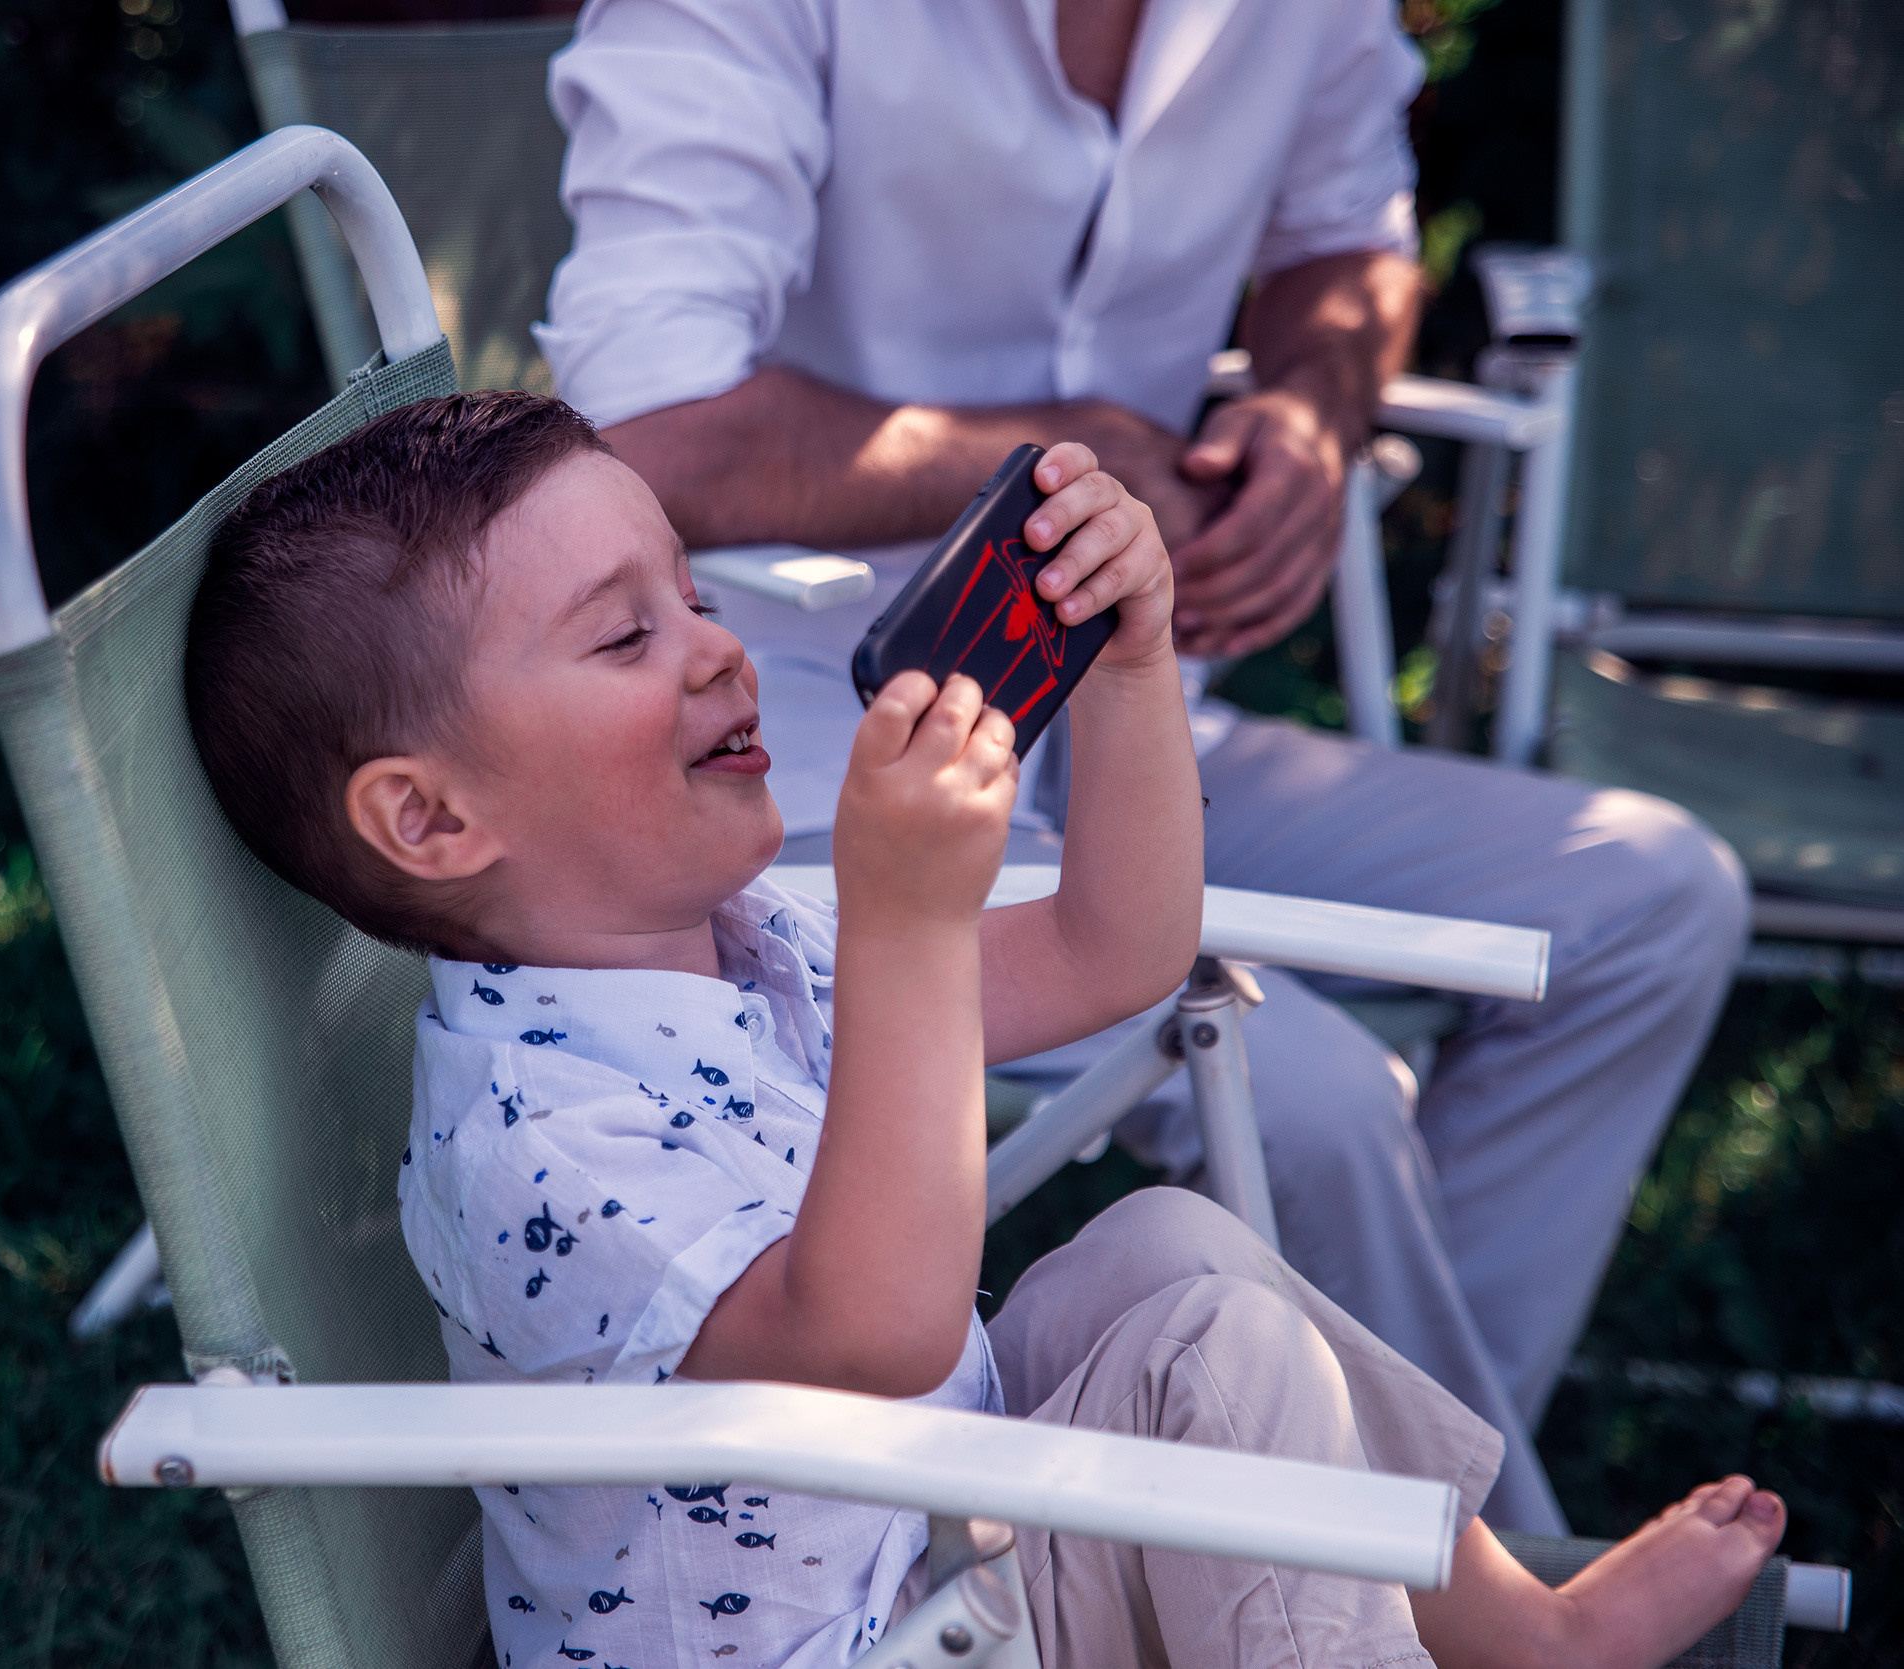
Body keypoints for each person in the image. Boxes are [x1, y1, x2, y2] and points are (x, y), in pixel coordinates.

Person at [181, 390, 1784, 1669]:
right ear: (431, 819)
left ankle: (1530, 1638)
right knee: (1217, 1358)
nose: (719, 643)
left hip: (937, 1535)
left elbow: (1113, 946)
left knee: (1171, 1250)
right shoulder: (535, 1143)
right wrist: (911, 923)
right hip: (871, 1634)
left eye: (693, 591)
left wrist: (1130, 663)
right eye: (626, 635)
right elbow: (875, 1337)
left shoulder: (743, 938)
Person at [532, 0, 1752, 1533]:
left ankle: (1380, 1527)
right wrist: (1072, 452)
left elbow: (1351, 241)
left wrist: (1311, 411)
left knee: (1653, 899)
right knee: (1315, 1100)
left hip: (1127, 717)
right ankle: (1484, 1570)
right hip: (815, 759)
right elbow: (644, 427)